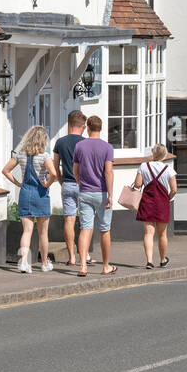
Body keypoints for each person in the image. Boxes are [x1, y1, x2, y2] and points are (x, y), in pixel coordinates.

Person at [2, 126, 59, 274]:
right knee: (43, 233)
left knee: (26, 231)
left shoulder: (20, 155)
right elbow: (53, 173)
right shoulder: (44, 156)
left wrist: (17, 183)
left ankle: (24, 262)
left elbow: (5, 170)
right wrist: (47, 183)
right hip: (40, 195)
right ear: (42, 140)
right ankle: (45, 263)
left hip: (25, 193)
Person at [72, 115, 116, 276]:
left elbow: (75, 170)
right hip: (102, 192)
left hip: (85, 191)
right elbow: (108, 172)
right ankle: (106, 266)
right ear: (101, 128)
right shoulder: (107, 147)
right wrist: (111, 194)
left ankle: (82, 266)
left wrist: (80, 183)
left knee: (85, 228)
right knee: (104, 229)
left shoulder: (79, 146)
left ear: (88, 128)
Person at [133, 144, 178, 269]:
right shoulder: (168, 169)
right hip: (162, 204)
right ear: (164, 155)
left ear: (153, 153)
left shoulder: (144, 166)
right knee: (162, 234)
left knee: (148, 233)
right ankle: (163, 259)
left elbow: (137, 184)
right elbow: (174, 189)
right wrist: (167, 198)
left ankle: (149, 261)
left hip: (147, 202)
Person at [52, 111, 87, 267]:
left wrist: (61, 182)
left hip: (67, 183)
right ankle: (84, 256)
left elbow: (55, 167)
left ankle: (72, 257)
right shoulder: (85, 143)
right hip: (84, 185)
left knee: (69, 220)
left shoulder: (60, 142)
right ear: (83, 126)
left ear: (69, 124)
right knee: (86, 222)